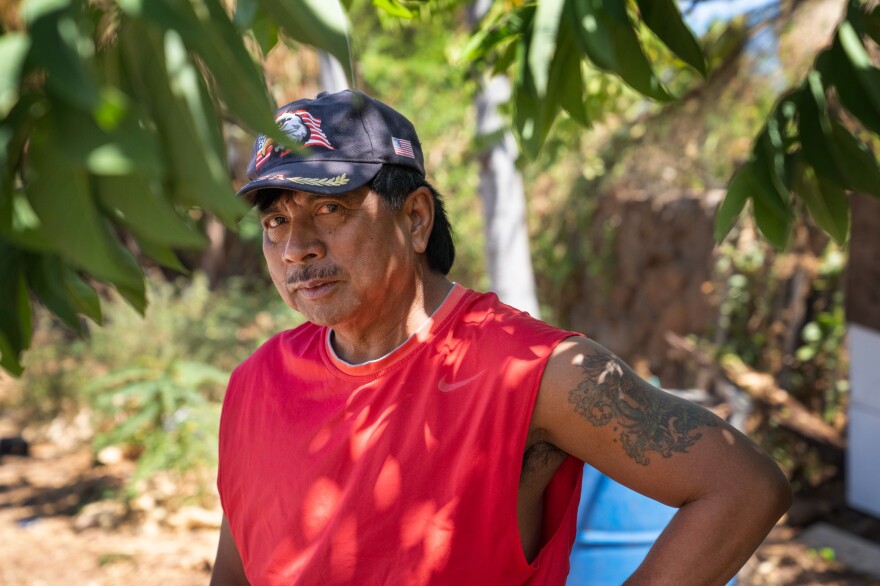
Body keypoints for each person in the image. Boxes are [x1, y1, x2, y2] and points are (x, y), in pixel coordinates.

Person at [210, 89, 791, 585]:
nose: (295, 248)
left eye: (330, 208)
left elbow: (741, 487)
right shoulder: (254, 385)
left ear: (414, 219)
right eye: (275, 220)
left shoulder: (535, 371)